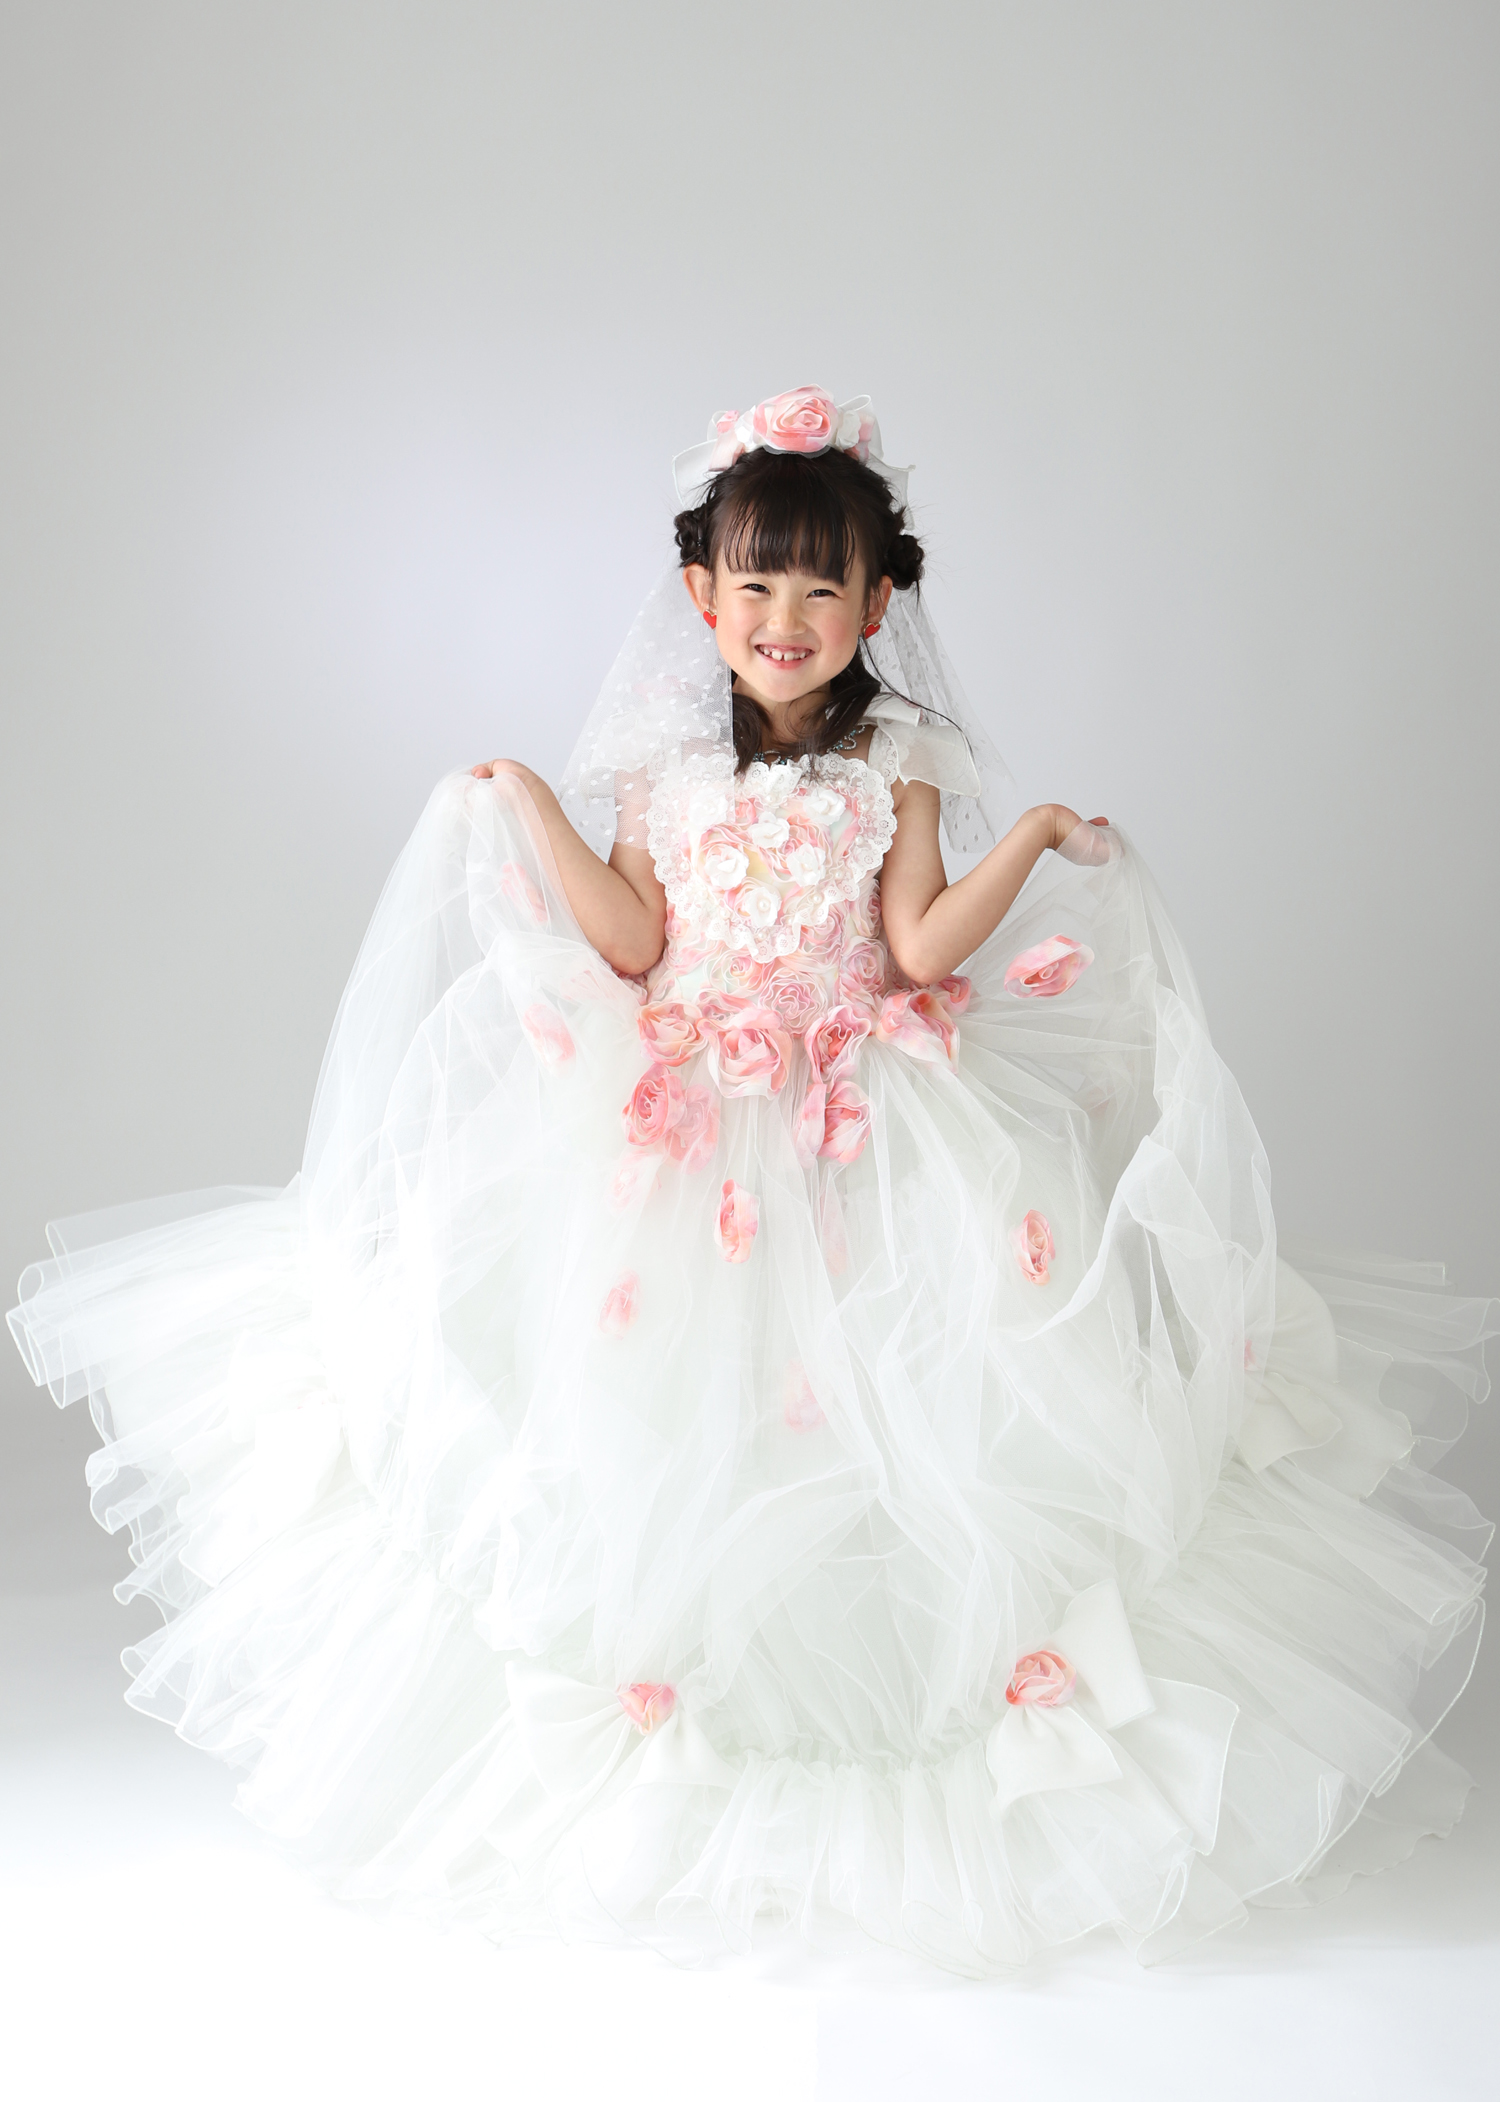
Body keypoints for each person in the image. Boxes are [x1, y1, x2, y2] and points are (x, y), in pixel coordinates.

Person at [9, 386, 1494, 1976]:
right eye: (756, 583)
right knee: (680, 1417)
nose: (786, 617)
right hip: (688, 1136)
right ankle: (687, 1727)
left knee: (885, 1417)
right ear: (702, 596)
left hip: (861, 1124)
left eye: (821, 586)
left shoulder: (898, 762)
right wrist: (526, 810)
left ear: (878, 601)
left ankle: (869, 1702)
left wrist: (1028, 843)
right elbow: (634, 939)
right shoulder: (659, 770)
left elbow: (915, 948)